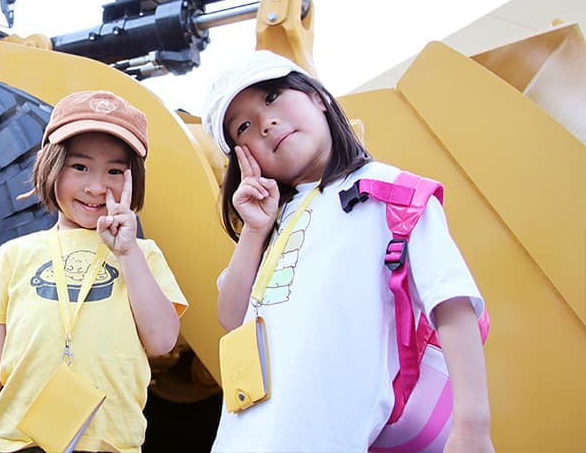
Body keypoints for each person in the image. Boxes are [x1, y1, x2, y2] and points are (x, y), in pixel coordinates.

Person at [201, 50, 493, 452]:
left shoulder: (391, 192)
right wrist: (255, 230)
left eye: (272, 96)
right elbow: (232, 317)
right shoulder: (272, 222)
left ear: (317, 97)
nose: (266, 123)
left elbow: (451, 301)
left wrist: (472, 428)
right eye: (244, 126)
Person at [0, 90, 188, 453]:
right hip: (18, 446)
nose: (96, 187)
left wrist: (128, 251)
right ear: (51, 167)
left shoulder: (143, 255)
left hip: (110, 447)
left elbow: (162, 340)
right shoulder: (15, 255)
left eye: (115, 171)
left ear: (133, 180)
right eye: (80, 167)